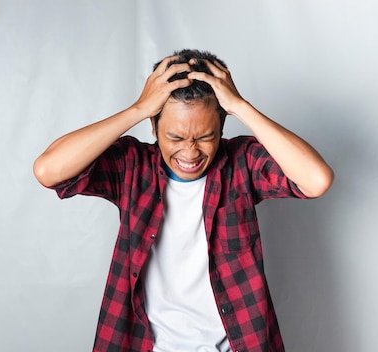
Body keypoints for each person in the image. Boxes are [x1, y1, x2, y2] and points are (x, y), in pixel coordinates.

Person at [33, 49, 333, 352]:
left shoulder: (241, 163)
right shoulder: (133, 166)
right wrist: (138, 109)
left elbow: (316, 180)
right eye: (176, 138)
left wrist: (240, 106)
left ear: (222, 128)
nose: (190, 153)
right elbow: (49, 170)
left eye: (205, 137)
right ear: (153, 127)